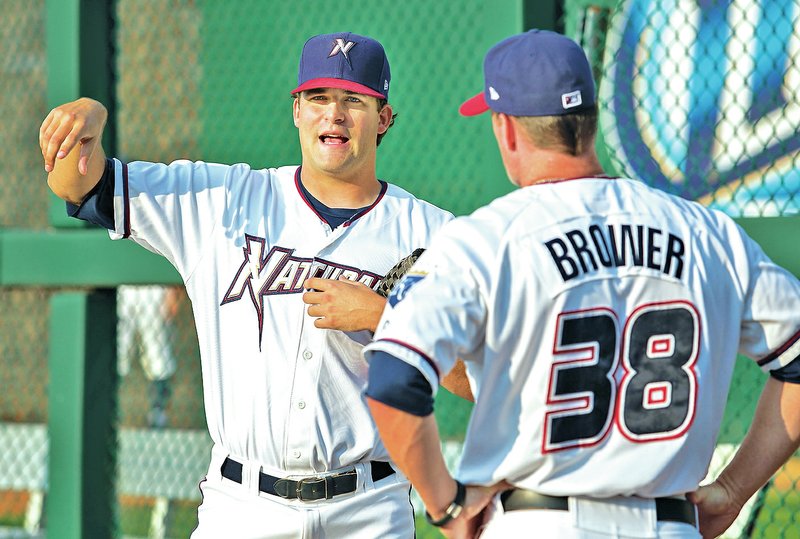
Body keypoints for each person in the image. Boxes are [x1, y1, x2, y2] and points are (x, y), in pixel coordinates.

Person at [363, 29, 800, 539]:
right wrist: (731, 490)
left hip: (537, 524)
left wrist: (445, 505)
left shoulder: (484, 239)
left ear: (507, 129)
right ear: (589, 122)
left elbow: (394, 379)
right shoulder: (710, 234)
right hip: (667, 526)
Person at [40, 32, 457, 538]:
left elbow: (475, 379)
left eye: (355, 101)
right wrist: (88, 114)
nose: (335, 114)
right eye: (319, 98)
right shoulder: (223, 198)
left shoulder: (432, 234)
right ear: (297, 111)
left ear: (384, 118)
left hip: (367, 509)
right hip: (242, 508)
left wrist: (385, 318)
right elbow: (78, 182)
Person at [116, 284, 181, 428]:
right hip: (123, 284)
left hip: (155, 286)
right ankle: (111, 411)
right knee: (118, 349)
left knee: (157, 351)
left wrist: (173, 291)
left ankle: (158, 413)